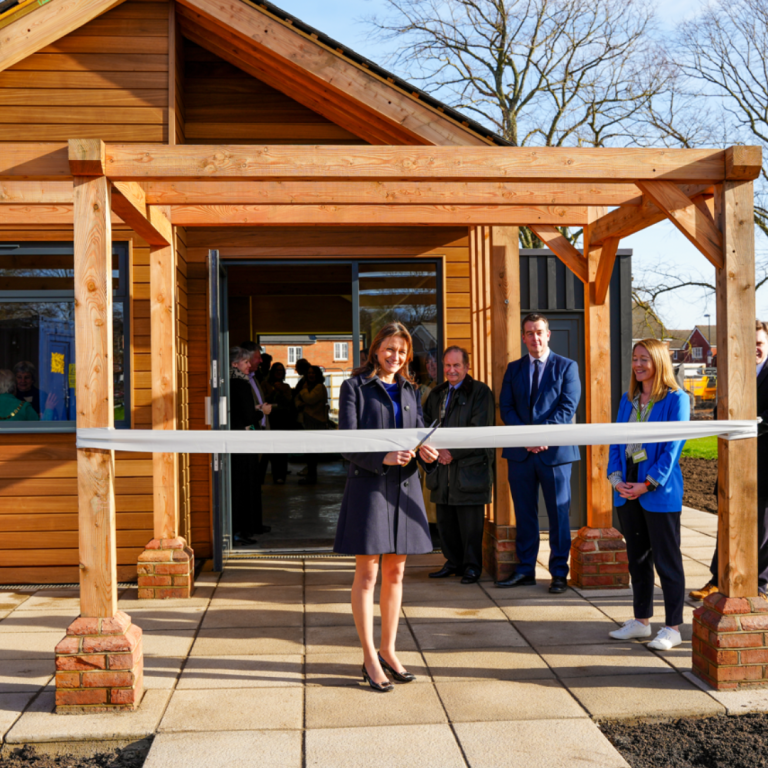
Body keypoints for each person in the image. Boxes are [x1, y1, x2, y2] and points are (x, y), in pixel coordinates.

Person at [334, 322, 439, 692]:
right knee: (368, 574)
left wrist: (428, 454)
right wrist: (383, 457)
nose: (395, 357)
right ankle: (368, 657)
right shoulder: (354, 388)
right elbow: (345, 443)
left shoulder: (411, 390)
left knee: (396, 573)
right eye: (389, 349)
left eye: (402, 351)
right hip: (370, 488)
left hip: (406, 488)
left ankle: (389, 650)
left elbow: (421, 431)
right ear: (376, 350)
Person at [607, 338, 689, 650]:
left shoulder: (676, 399)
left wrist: (648, 483)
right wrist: (617, 480)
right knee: (637, 558)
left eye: (645, 359)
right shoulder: (627, 400)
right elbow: (615, 442)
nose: (639, 365)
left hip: (657, 491)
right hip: (626, 488)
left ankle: (673, 627)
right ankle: (641, 622)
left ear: (659, 362)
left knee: (667, 561)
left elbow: (673, 449)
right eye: (635, 359)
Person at [496, 313, 581, 594]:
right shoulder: (513, 369)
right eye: (529, 333)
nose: (535, 337)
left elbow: (567, 408)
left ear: (548, 334)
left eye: (539, 332)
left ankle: (558, 573)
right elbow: (506, 407)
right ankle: (525, 570)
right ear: (523, 337)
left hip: (555, 453)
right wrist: (526, 438)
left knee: (559, 515)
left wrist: (541, 436)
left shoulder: (567, 367)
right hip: (521, 454)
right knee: (525, 514)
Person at [690, 320, 768, 600]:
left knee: (762, 530)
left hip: (764, 466)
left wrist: (746, 426)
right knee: (728, 523)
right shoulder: (736, 374)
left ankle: (760, 585)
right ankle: (717, 579)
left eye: (759, 343)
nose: (755, 349)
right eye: (750, 344)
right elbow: (717, 412)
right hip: (734, 465)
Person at [423, 346, 495, 584]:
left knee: (470, 526)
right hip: (443, 474)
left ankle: (472, 567)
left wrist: (450, 452)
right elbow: (425, 426)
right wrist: (437, 451)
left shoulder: (480, 392)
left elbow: (479, 431)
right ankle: (453, 563)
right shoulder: (437, 394)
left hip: (470, 472)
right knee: (446, 524)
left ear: (466, 367)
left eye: (456, 365)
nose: (451, 370)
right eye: (447, 365)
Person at [229, 346, 272, 545]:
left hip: (235, 440)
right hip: (241, 442)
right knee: (243, 484)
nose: (249, 366)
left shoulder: (229, 382)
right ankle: (238, 530)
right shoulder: (240, 383)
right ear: (235, 363)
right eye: (246, 362)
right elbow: (247, 416)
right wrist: (262, 412)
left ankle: (245, 527)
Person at [294, 365, 329, 486]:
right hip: (307, 421)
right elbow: (297, 400)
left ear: (318, 374)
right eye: (309, 373)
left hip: (316, 422)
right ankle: (310, 476)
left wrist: (303, 392)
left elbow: (309, 399)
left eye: (313, 373)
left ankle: (311, 478)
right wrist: (301, 401)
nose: (311, 375)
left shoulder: (319, 387)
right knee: (308, 452)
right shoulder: (308, 387)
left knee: (312, 453)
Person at [263, 362, 294, 484]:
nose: (279, 372)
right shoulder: (265, 384)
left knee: (282, 448)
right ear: (272, 371)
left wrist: (280, 390)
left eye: (281, 371)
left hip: (283, 419)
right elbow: (263, 400)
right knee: (272, 448)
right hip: (270, 419)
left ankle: (281, 476)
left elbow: (289, 401)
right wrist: (273, 391)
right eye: (277, 370)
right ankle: (274, 474)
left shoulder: (286, 386)